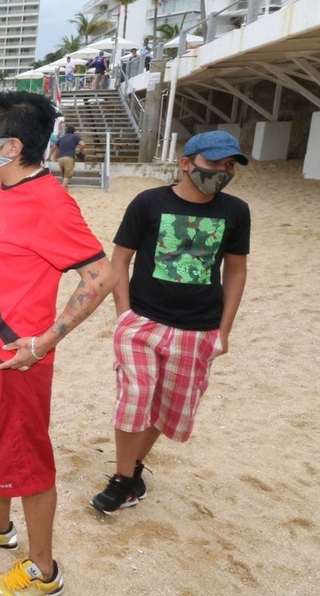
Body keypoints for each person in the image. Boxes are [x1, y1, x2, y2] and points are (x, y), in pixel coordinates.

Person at [0, 91, 117, 596]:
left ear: (13, 146)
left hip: (15, 360)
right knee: (1, 449)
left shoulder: (47, 201)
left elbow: (100, 276)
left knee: (29, 459)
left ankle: (43, 571)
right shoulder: (10, 188)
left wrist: (43, 342)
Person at [91, 130, 250, 514]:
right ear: (186, 163)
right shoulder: (148, 203)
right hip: (142, 322)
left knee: (167, 409)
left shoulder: (235, 211)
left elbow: (235, 271)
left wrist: (223, 331)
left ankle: (132, 473)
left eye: (229, 166)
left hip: (199, 328)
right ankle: (121, 479)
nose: (223, 172)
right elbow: (120, 260)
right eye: (214, 164)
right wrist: (124, 315)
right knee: (135, 399)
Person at [55, 125, 85, 190]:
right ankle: (62, 189)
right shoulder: (75, 137)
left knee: (64, 175)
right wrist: (81, 150)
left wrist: (50, 156)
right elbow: (82, 144)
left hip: (60, 158)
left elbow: (54, 147)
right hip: (69, 157)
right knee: (67, 175)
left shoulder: (62, 138)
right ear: (73, 131)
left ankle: (66, 189)